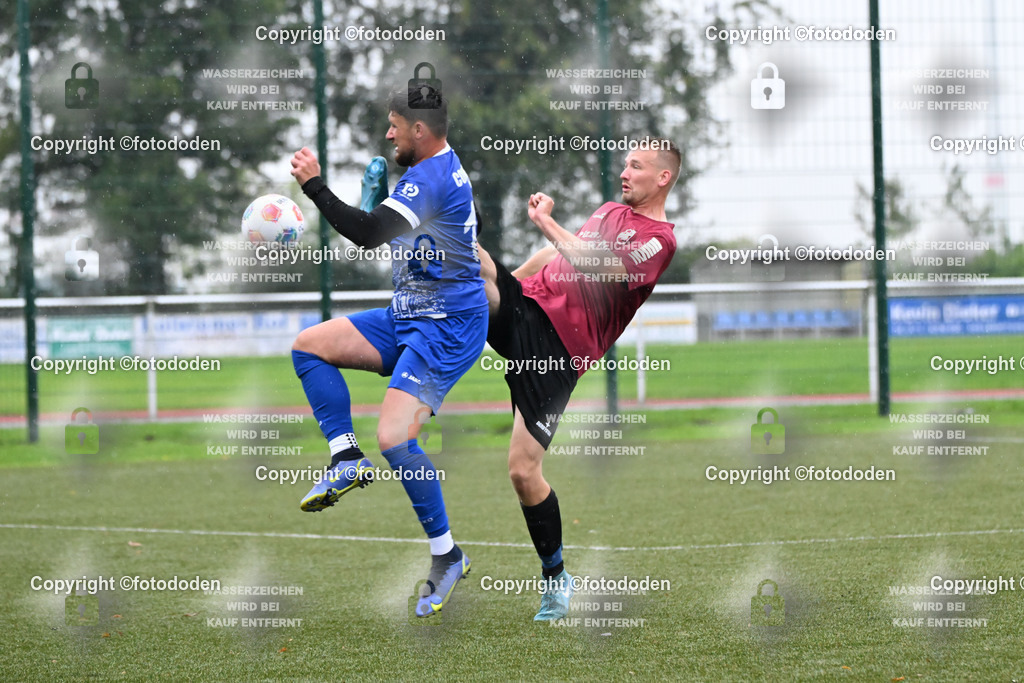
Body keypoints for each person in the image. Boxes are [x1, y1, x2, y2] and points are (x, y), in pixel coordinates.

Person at [289, 85, 487, 617]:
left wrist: (314, 186)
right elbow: (396, 234)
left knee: (396, 438)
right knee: (309, 347)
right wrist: (375, 201)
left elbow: (368, 235)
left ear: (419, 130)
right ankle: (346, 458)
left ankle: (448, 556)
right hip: (408, 314)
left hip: (446, 327)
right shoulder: (429, 171)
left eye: (394, 126)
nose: (388, 134)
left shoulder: (431, 177)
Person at [477, 139, 680, 620]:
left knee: (523, 472)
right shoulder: (608, 210)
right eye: (625, 163)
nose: (624, 172)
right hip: (529, 309)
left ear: (663, 177)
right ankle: (400, 204)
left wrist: (546, 222)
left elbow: (599, 267)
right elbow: (555, 259)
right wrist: (507, 284)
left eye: (636, 165)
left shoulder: (661, 240)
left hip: (559, 351)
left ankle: (555, 577)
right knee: (465, 264)